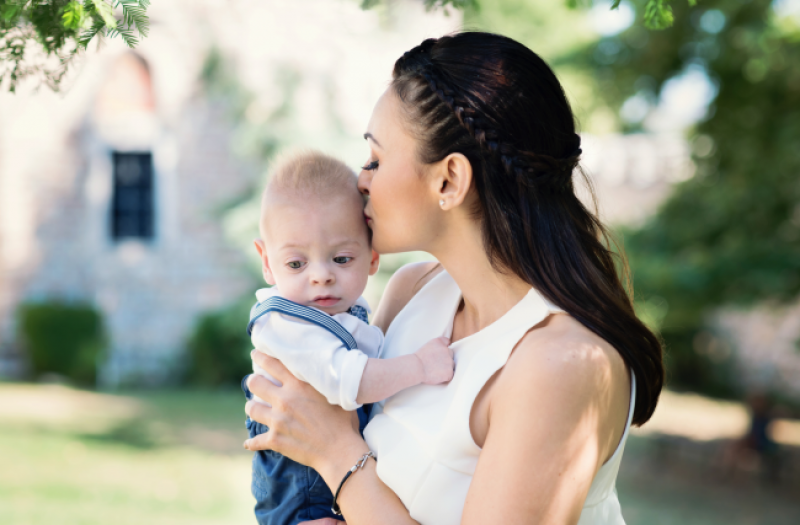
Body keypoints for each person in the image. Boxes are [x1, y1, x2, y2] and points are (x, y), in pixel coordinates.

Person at [243, 32, 665, 524]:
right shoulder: (413, 291)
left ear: (449, 180)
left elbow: (336, 443)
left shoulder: (561, 363)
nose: (361, 180)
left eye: (376, 159)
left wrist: (336, 454)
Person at [243, 150, 455, 524]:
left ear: (372, 257)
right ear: (266, 261)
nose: (321, 275)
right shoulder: (284, 324)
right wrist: (419, 366)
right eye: (296, 263)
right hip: (302, 501)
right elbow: (349, 380)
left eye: (341, 259)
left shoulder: (348, 315)